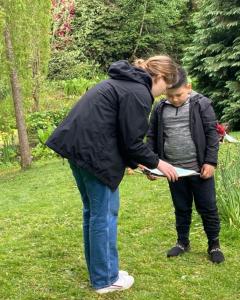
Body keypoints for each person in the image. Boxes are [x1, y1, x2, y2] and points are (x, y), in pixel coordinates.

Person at [46, 56, 179, 294]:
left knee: (94, 214)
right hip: (93, 154)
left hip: (78, 150)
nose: (163, 92)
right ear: (159, 77)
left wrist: (142, 165)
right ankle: (105, 279)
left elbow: (119, 133)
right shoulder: (139, 92)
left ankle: (103, 272)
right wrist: (158, 163)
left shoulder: (124, 82)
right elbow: (132, 142)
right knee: (104, 215)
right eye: (166, 86)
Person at [146, 67, 225, 263]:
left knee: (208, 208)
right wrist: (152, 165)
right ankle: (182, 242)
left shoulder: (202, 104)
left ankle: (214, 244)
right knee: (181, 207)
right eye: (169, 95)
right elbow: (152, 136)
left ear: (188, 87)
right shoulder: (160, 108)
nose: (174, 99)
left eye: (178, 95)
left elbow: (212, 134)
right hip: (174, 171)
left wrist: (210, 162)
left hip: (199, 170)